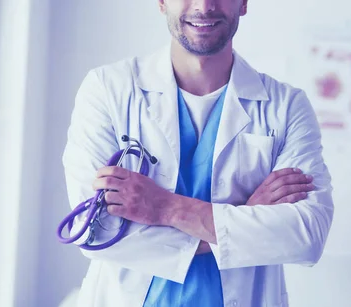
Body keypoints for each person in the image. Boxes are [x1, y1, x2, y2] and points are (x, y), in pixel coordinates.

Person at [61, 1, 334, 306]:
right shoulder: (108, 90)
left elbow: (306, 236)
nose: (204, 6)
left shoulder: (286, 106)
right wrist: (244, 216)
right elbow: (94, 232)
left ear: (243, 3)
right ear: (162, 2)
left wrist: (166, 208)